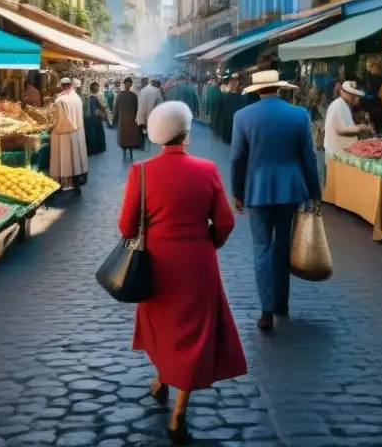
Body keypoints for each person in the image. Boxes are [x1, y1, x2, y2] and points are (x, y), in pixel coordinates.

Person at [119, 101, 247, 446]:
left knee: (162, 329)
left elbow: (126, 227)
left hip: (156, 264)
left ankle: (162, 380)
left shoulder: (141, 172)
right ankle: (178, 412)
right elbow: (224, 222)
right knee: (194, 336)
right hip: (198, 264)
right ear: (186, 134)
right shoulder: (206, 170)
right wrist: (209, 245)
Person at [231, 70, 322, 332]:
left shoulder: (243, 116)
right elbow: (308, 157)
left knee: (261, 248)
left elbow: (237, 159)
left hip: (257, 190)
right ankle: (282, 303)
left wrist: (237, 191)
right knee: (283, 245)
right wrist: (314, 192)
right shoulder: (298, 115)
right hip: (290, 190)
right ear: (280, 88)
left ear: (258, 91)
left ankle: (266, 311)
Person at [49, 78, 89, 192]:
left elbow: (56, 119)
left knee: (64, 158)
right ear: (71, 85)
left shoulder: (60, 100)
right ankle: (76, 182)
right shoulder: (77, 98)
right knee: (75, 157)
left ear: (61, 86)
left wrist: (51, 128)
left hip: (62, 135)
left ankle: (64, 183)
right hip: (77, 134)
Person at [324, 81, 368, 158]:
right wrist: (361, 127)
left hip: (338, 154)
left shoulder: (342, 105)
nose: (358, 99)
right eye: (355, 96)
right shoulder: (340, 105)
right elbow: (342, 130)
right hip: (338, 154)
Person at [113, 77, 142, 161]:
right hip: (131, 120)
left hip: (122, 120)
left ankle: (124, 152)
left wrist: (114, 119)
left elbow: (115, 108)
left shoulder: (119, 95)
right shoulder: (133, 96)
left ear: (124, 84)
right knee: (131, 137)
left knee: (124, 137)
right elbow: (137, 109)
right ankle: (131, 153)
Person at [136, 78, 164, 149]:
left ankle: (142, 145)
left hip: (140, 113)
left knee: (142, 128)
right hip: (150, 114)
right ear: (157, 84)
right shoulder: (157, 91)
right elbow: (160, 104)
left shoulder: (143, 89)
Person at [83, 82, 107, 157]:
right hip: (92, 118)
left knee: (94, 134)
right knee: (93, 134)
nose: (98, 88)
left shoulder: (93, 97)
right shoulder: (93, 97)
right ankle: (95, 149)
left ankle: (95, 149)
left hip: (93, 118)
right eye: (97, 87)